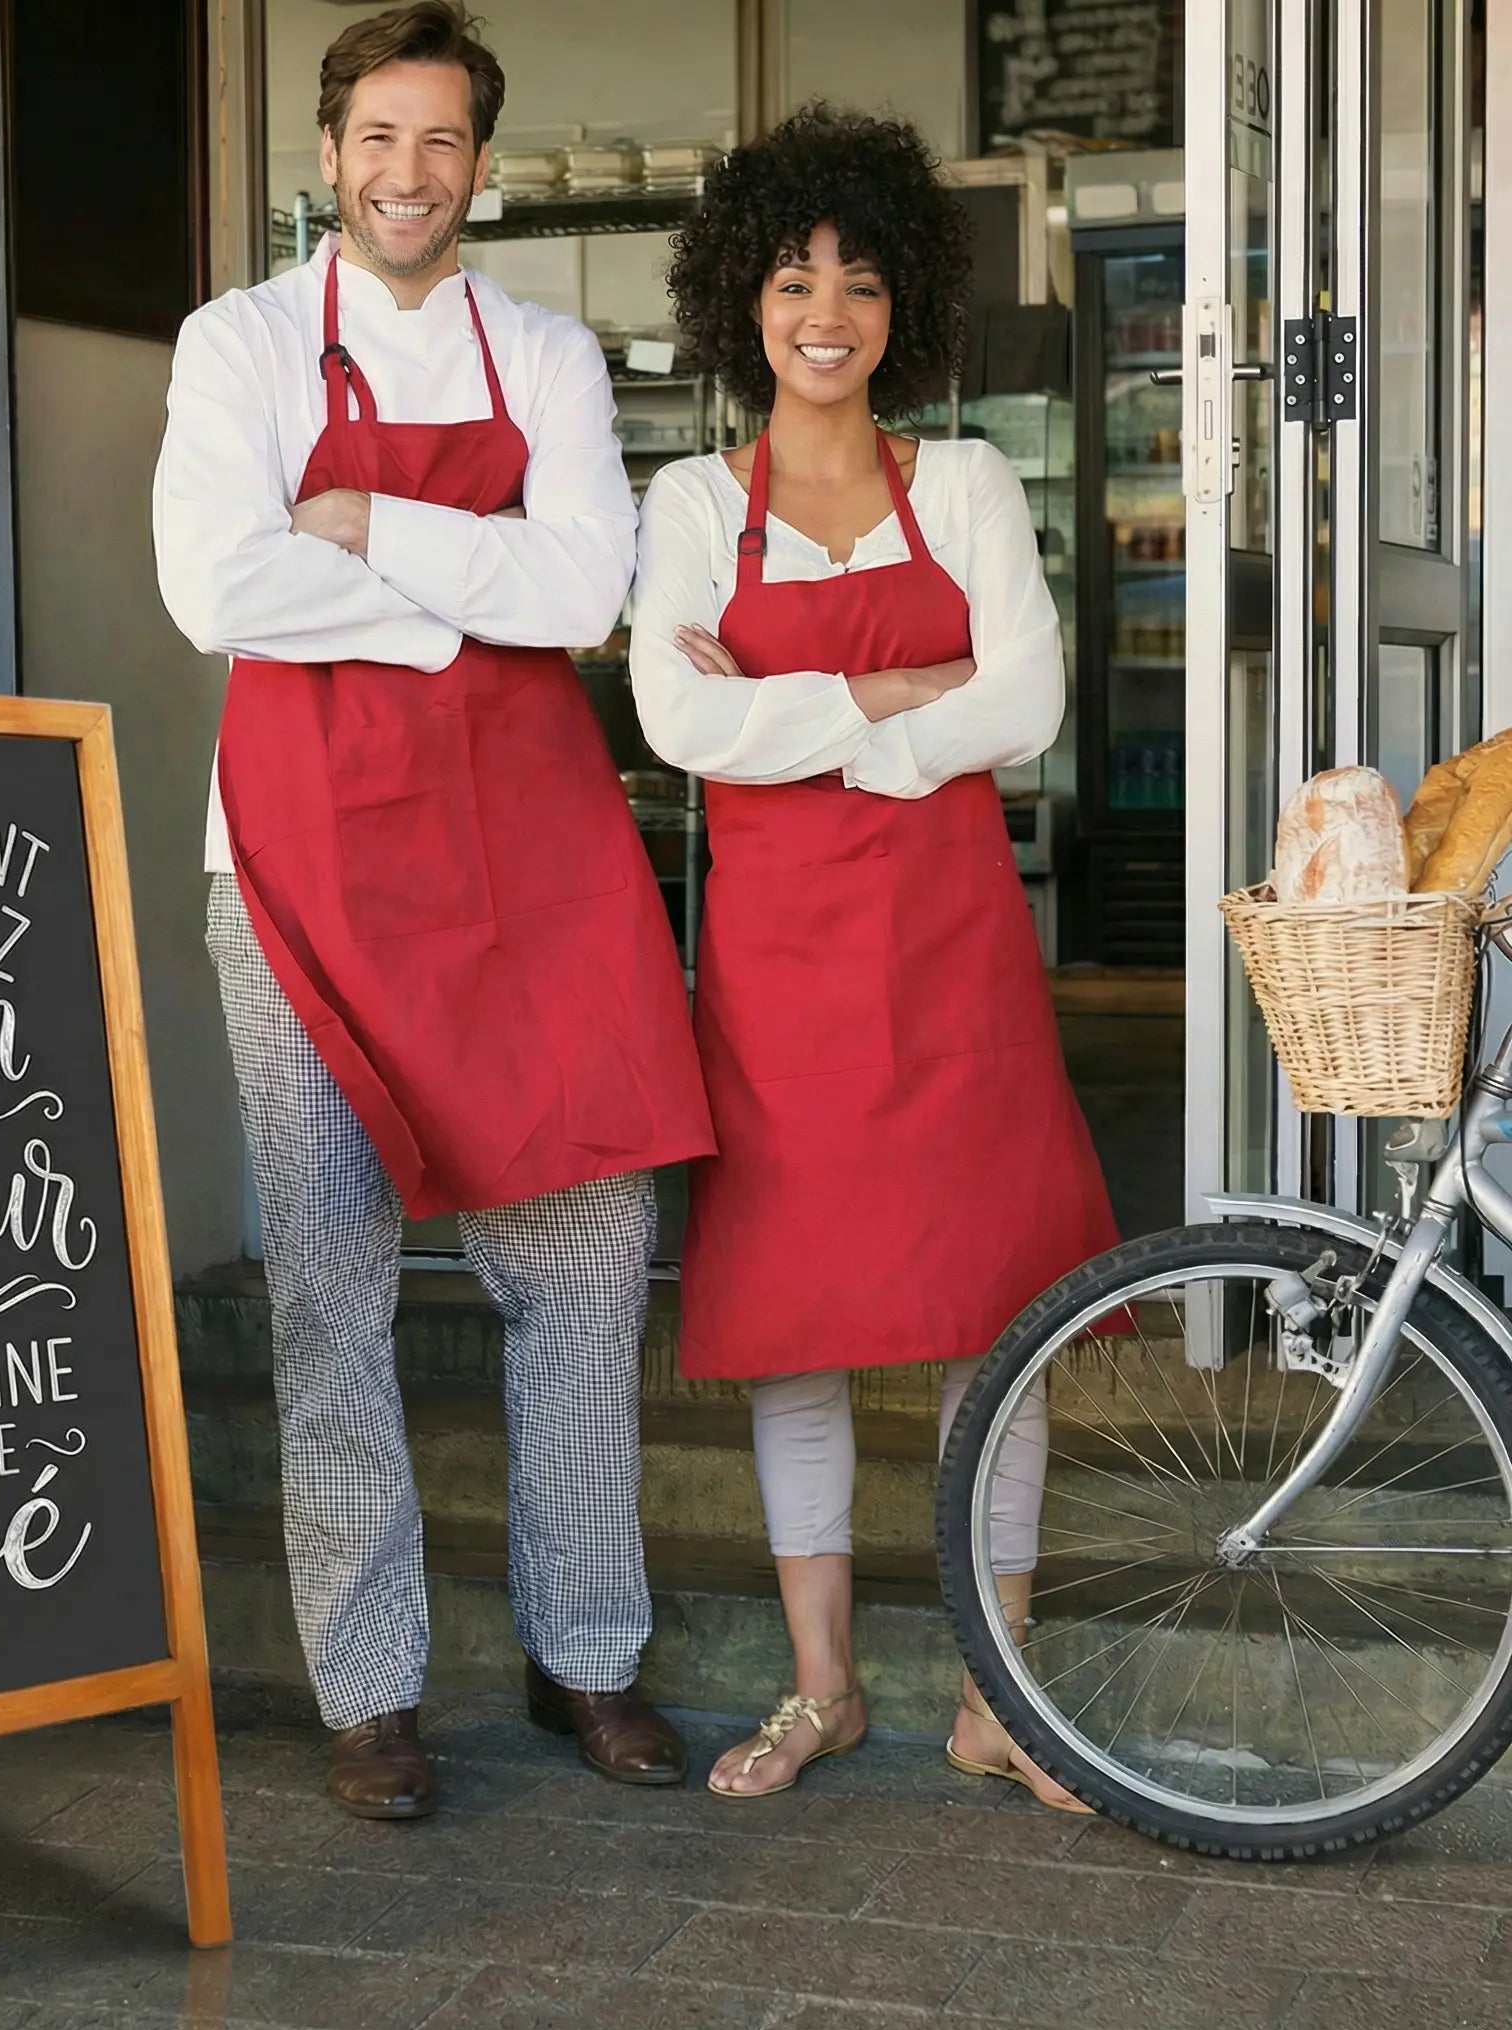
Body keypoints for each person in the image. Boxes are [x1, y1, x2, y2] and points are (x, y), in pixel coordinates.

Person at [154, 1, 714, 1821]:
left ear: (481, 164)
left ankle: (588, 1658)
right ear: (328, 156)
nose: (409, 174)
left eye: (444, 142)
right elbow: (209, 588)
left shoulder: (542, 349)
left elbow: (583, 590)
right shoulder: (236, 344)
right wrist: (455, 606)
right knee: (327, 1292)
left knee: (582, 1265)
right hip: (300, 871)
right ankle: (371, 1689)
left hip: (526, 870)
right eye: (378, 139)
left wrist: (366, 534)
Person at [629, 106, 1117, 1808]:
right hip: (780, 972)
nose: (823, 307)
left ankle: (1001, 1699)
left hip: (954, 952)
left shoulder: (967, 479)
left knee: (1001, 1313)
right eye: (789, 276)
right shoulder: (694, 500)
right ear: (740, 303)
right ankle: (823, 1687)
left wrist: (814, 723)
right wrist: (901, 699)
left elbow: (1032, 704)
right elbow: (674, 714)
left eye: (855, 274)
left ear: (902, 296)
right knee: (799, 1321)